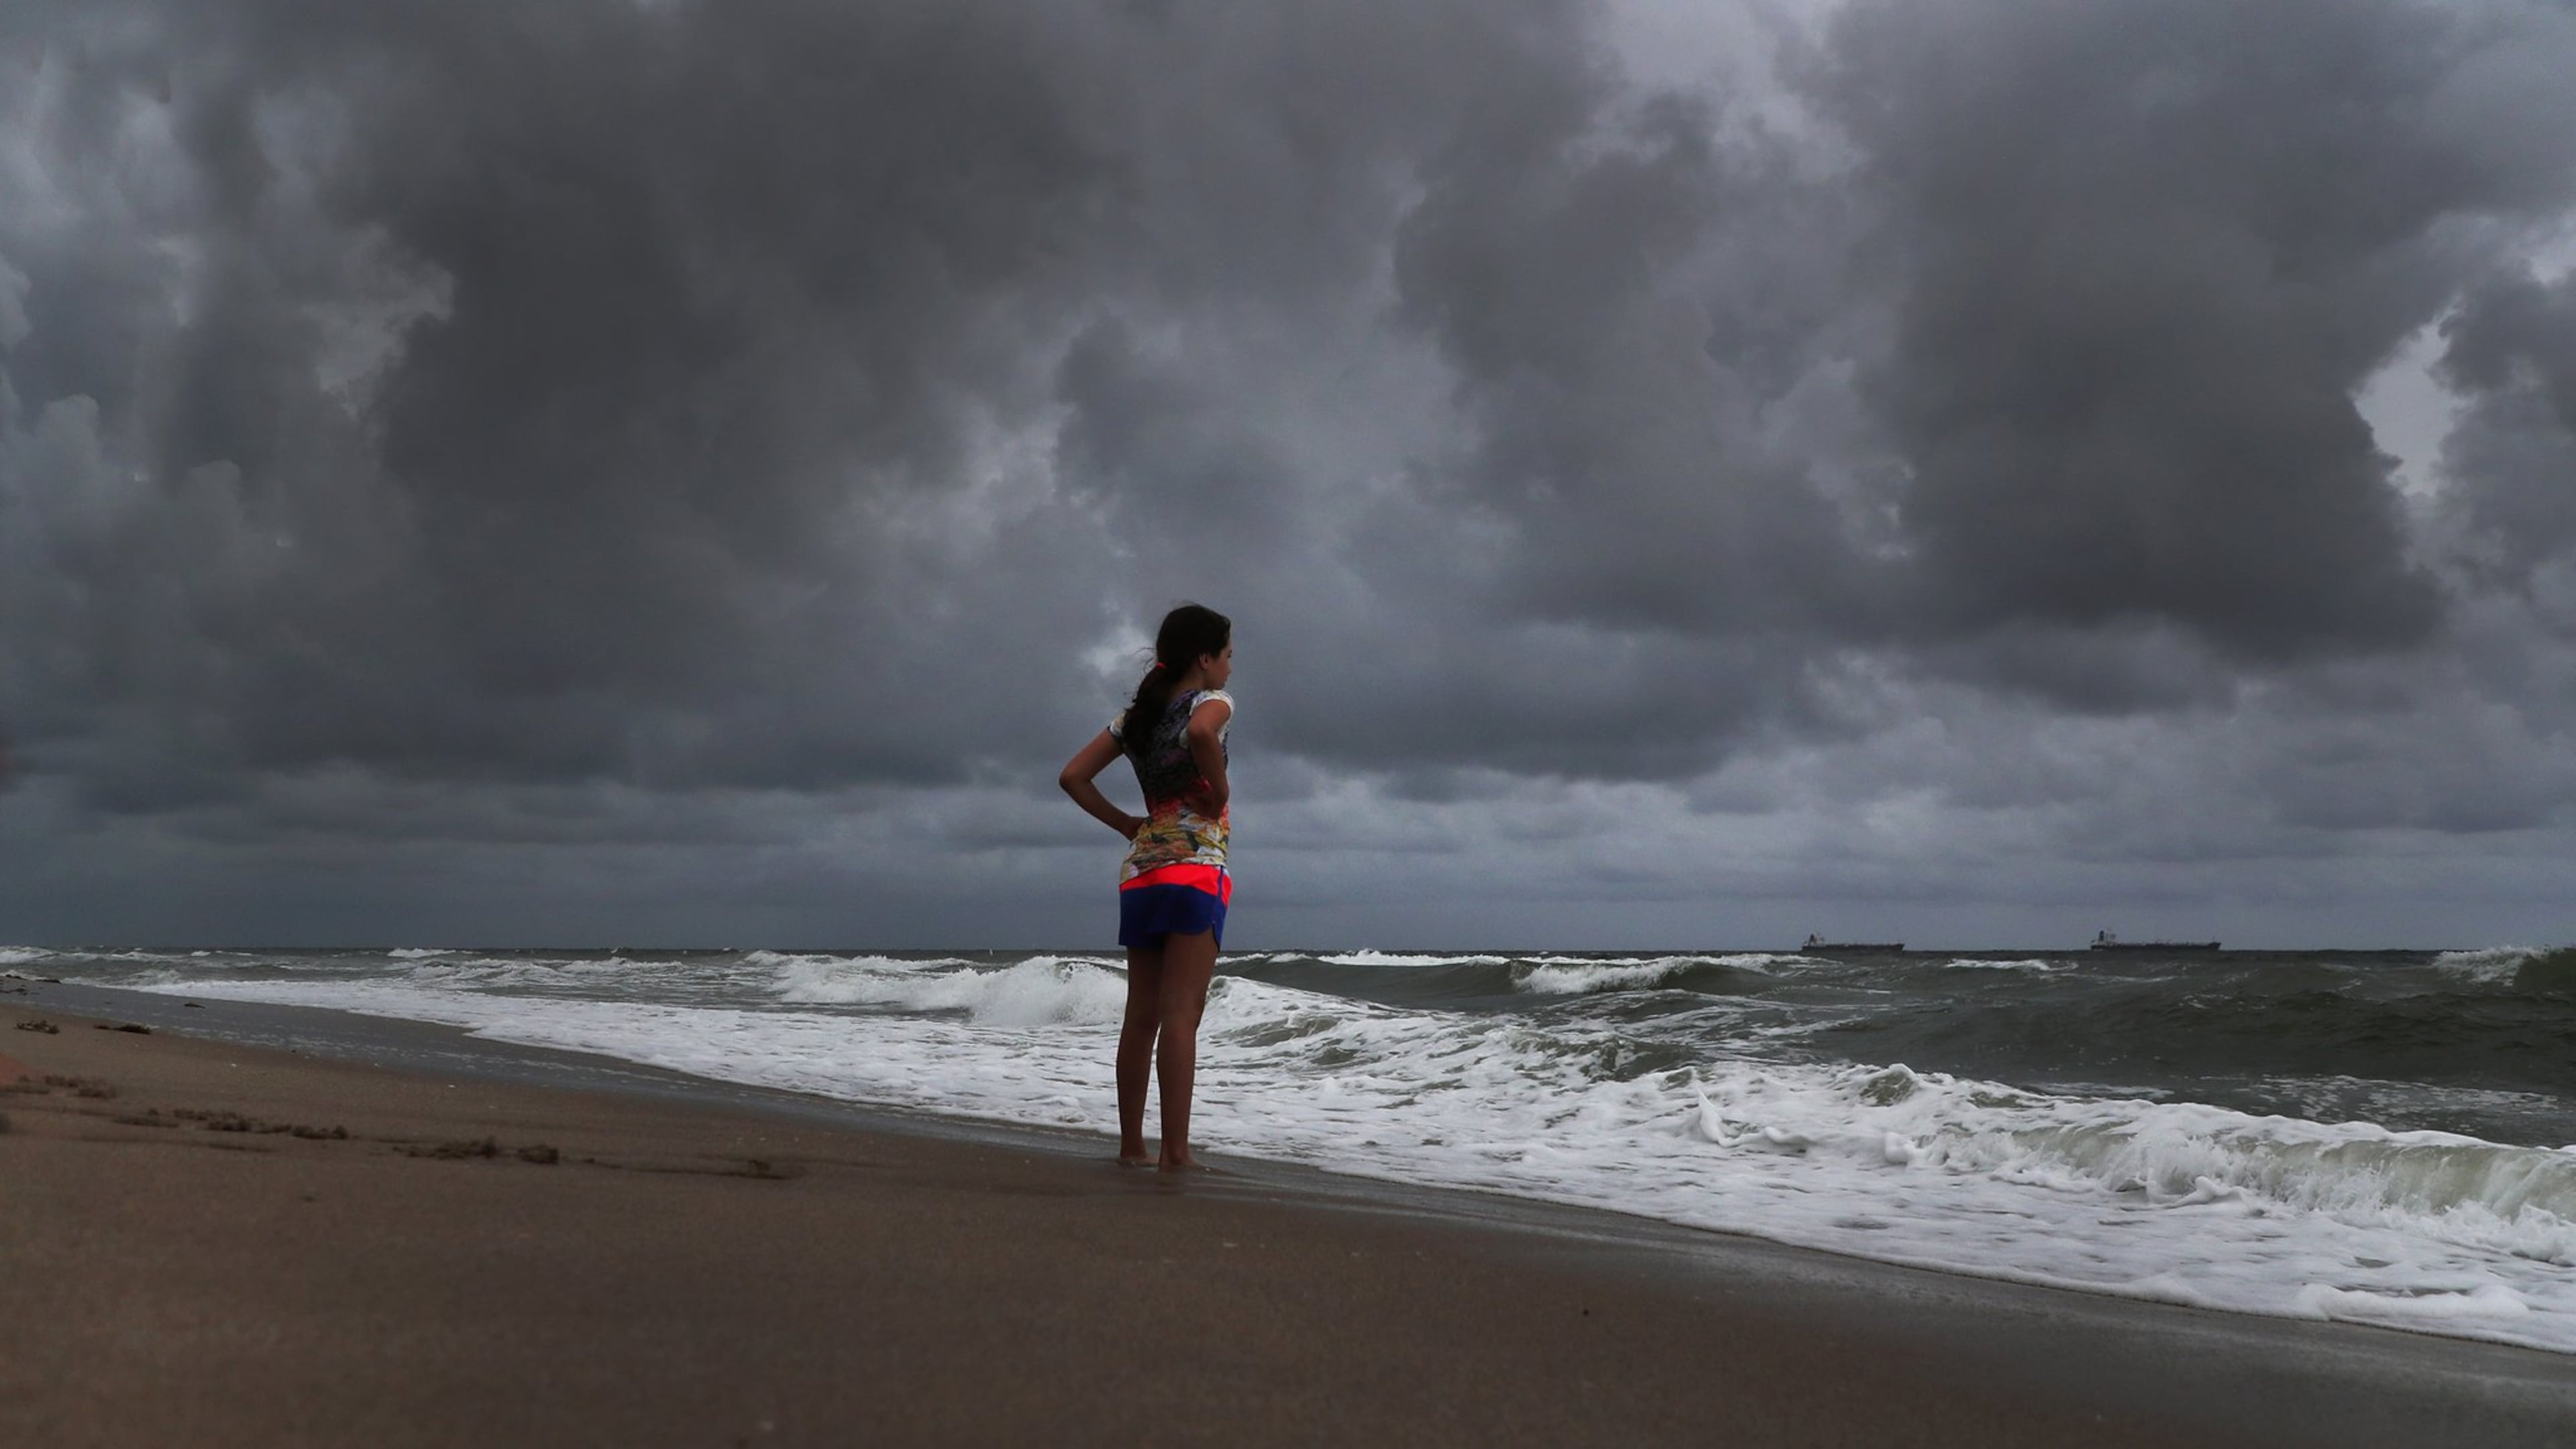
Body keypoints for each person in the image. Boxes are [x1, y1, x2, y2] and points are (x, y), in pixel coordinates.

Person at [1058, 604, 1234, 1171]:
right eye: (1228, 656)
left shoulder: (1134, 719)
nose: (1231, 669)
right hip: (1194, 868)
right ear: (1204, 659)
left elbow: (1073, 777)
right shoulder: (1212, 702)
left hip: (1140, 873)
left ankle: (1132, 1147)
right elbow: (1204, 732)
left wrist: (1126, 825)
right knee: (1182, 1015)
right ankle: (1176, 1154)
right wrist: (1218, 790)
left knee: (1142, 1016)